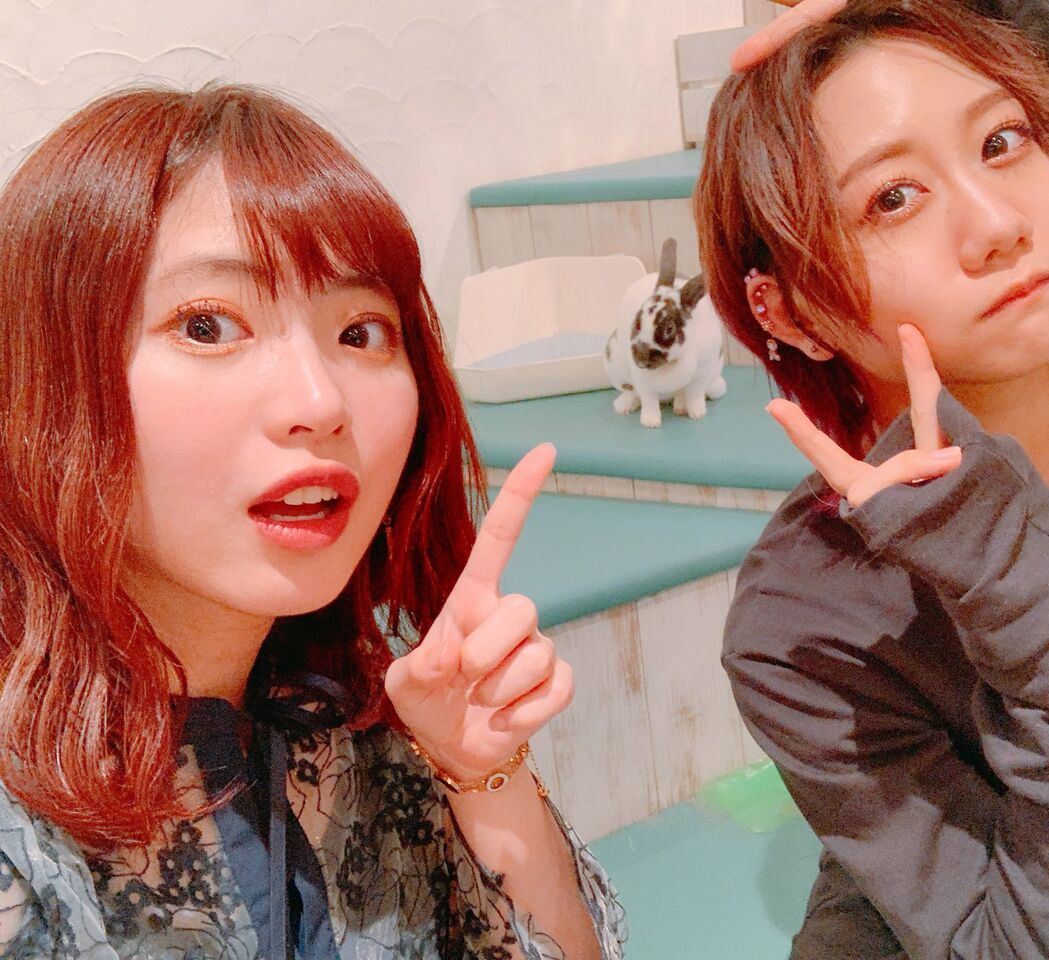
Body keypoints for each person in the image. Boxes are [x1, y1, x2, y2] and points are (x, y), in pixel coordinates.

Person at [694, 0, 1049, 957]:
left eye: (1003, 141)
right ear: (791, 310)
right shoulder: (801, 623)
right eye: (894, 198)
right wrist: (1017, 597)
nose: (999, 225)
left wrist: (1036, 12)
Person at [0, 83, 625, 959]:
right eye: (208, 325)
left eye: (361, 332)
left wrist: (484, 776)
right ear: (43, 379)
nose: (320, 402)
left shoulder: (352, 721)